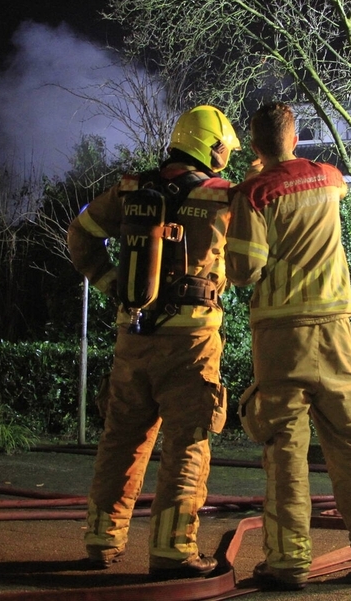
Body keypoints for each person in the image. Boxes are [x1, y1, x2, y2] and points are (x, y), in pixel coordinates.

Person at [226, 102, 351, 591]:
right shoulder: (329, 178)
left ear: (254, 146)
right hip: (336, 332)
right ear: (295, 138)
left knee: (285, 453)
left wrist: (247, 190)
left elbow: (243, 270)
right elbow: (322, 184)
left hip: (282, 338)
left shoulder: (255, 193)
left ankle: (289, 562)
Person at [67, 105, 239, 579]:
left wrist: (113, 285)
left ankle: (101, 540)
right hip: (192, 342)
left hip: (133, 333)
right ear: (215, 149)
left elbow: (80, 235)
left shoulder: (130, 189)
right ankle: (171, 549)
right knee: (188, 442)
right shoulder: (222, 195)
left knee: (121, 438)